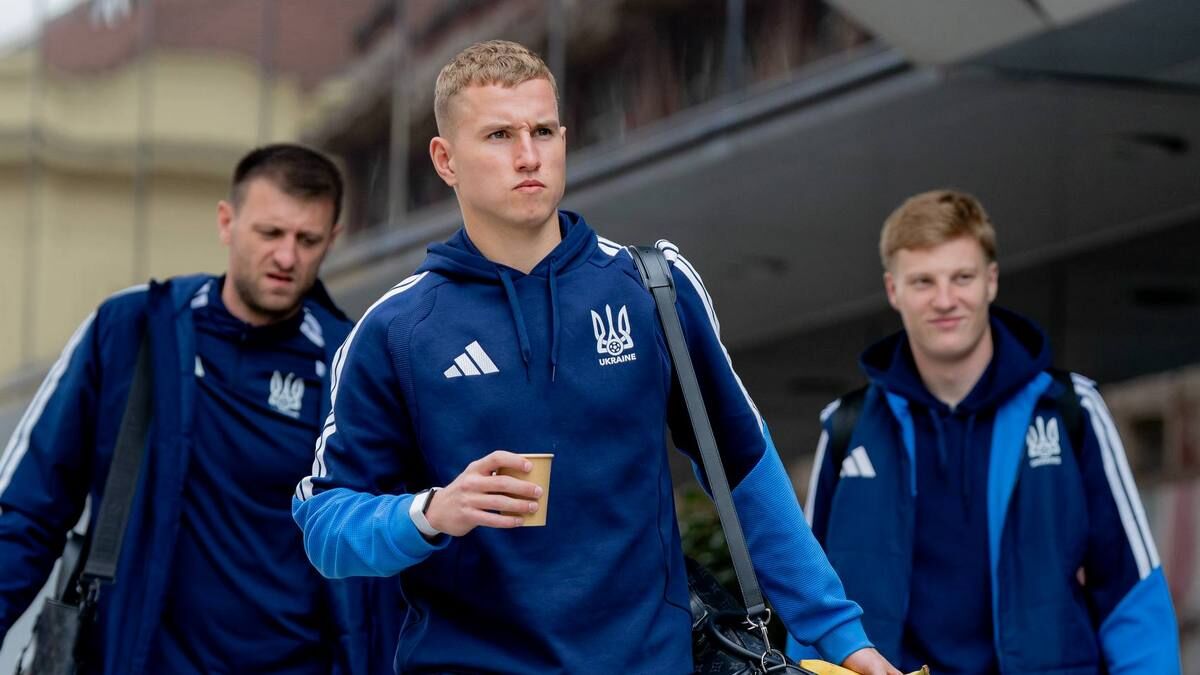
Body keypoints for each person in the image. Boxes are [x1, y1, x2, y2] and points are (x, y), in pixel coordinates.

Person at [291, 40, 898, 675]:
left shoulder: (653, 288)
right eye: (498, 135)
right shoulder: (395, 330)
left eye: (542, 131)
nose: (528, 156)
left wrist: (839, 635)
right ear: (445, 160)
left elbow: (744, 464)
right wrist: (431, 512)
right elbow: (326, 528)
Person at [0, 144, 399, 674]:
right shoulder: (131, 331)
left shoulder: (350, 365)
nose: (287, 258)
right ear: (226, 222)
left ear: (333, 238)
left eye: (307, 240)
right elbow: (26, 511)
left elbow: (387, 543)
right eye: (270, 233)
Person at [791, 189, 1181, 673]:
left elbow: (1132, 591)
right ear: (893, 290)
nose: (945, 300)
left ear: (991, 281)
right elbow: (811, 602)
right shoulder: (848, 429)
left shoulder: (1071, 411)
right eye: (923, 281)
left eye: (962, 277)